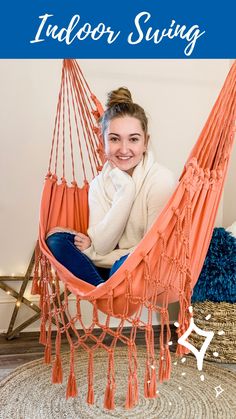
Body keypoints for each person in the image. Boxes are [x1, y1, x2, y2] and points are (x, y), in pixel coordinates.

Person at [46, 87, 176, 286]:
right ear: (103, 141)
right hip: (109, 270)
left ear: (145, 142)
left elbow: (152, 250)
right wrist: (126, 190)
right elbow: (103, 245)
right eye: (114, 139)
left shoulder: (161, 180)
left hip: (140, 270)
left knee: (124, 266)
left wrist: (92, 252)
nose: (124, 149)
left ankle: (104, 290)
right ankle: (104, 291)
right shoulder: (99, 184)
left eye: (133, 139)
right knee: (56, 240)